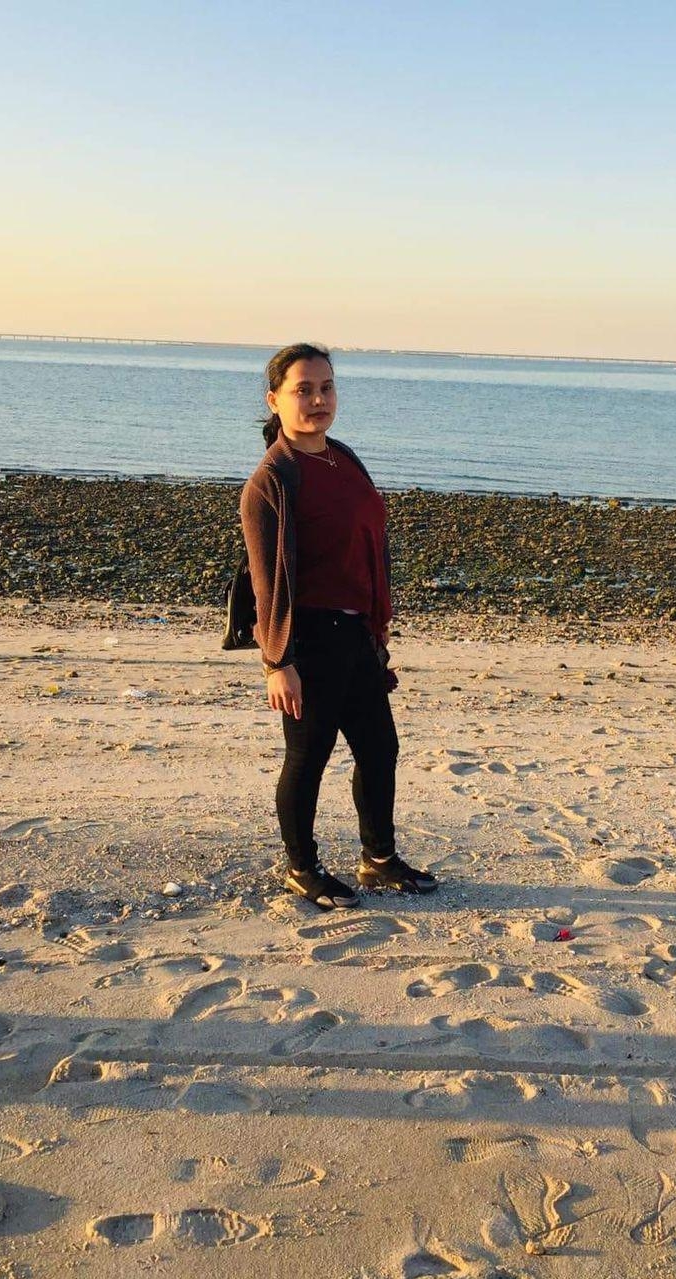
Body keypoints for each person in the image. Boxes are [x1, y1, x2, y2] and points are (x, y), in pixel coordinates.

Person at [240, 342, 438, 910]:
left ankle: (379, 859)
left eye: (326, 387)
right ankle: (301, 868)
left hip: (355, 635)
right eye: (303, 390)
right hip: (308, 640)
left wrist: (377, 623)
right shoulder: (272, 480)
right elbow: (267, 584)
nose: (317, 400)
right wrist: (278, 663)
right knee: (308, 758)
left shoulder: (343, 457)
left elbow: (371, 541)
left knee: (379, 749)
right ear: (274, 400)